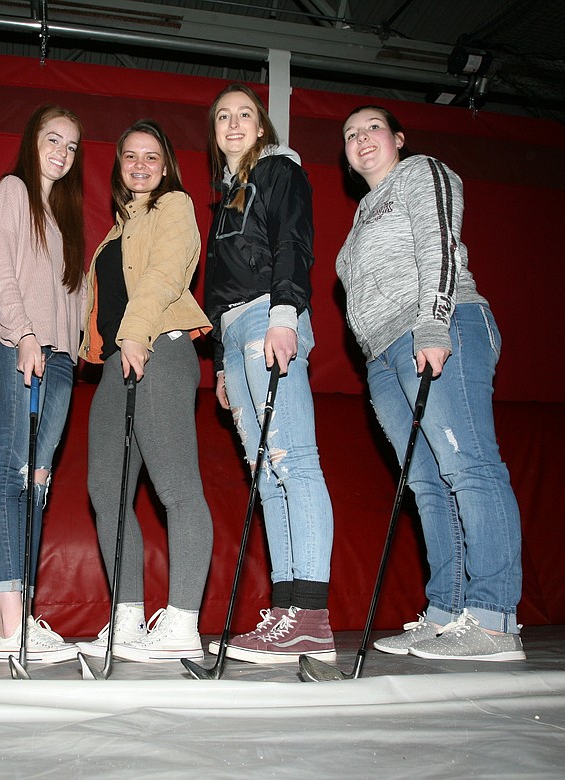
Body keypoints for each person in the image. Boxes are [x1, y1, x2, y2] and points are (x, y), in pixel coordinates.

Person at [336, 105, 525, 661]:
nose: (361, 139)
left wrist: (434, 322)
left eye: (372, 128)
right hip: (382, 354)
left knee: (468, 466)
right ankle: (446, 613)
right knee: (425, 484)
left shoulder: (422, 174)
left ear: (398, 138)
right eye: (350, 134)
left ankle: (493, 619)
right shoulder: (360, 219)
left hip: (439, 326)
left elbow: (439, 244)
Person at [203, 83, 337, 664]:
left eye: (245, 116)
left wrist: (286, 313)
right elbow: (215, 289)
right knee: (265, 473)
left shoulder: (279, 171)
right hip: (235, 333)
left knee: (293, 459)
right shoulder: (227, 196)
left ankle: (310, 614)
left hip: (267, 316)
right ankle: (287, 614)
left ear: (262, 127)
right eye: (223, 117)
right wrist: (221, 366)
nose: (233, 124)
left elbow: (293, 243)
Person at [76, 120, 215, 663]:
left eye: (151, 157)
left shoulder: (173, 206)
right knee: (104, 489)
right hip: (116, 359)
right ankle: (127, 620)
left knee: (176, 484)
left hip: (159, 347)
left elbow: (162, 276)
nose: (139, 165)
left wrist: (136, 333)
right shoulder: (116, 230)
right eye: (129, 156)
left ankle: (182, 622)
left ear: (166, 165)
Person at [0, 104, 86, 664]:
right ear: (32, 139)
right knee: (10, 468)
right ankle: (9, 626)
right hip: (21, 344)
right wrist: (23, 335)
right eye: (53, 139)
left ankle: (24, 615)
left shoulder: (65, 213)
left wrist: (78, 349)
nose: (62, 152)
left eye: (72, 146)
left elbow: (74, 292)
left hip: (60, 357)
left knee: (37, 480)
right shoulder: (13, 191)